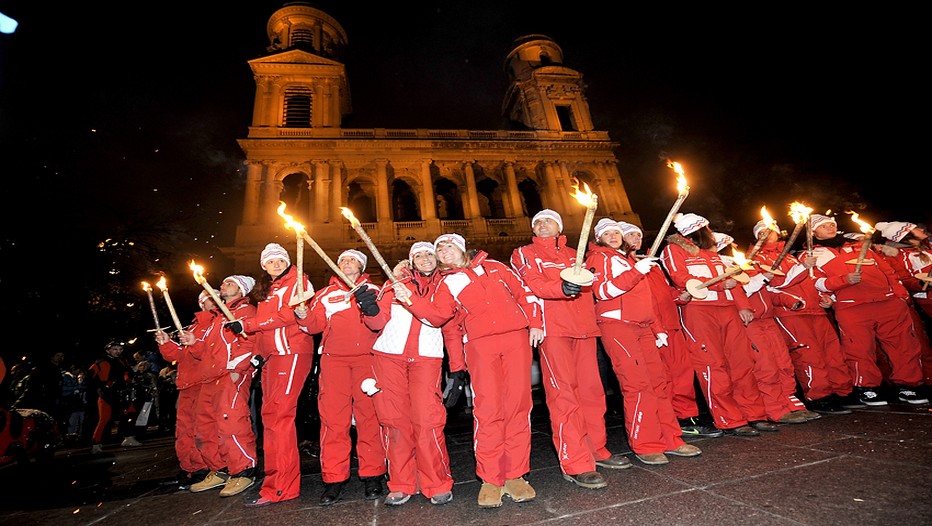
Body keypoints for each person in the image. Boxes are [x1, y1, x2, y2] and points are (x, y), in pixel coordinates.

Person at [393, 233, 542, 509]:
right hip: (479, 345)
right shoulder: (447, 282)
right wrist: (410, 300)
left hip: (515, 341)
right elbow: (437, 316)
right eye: (440, 249)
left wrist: (535, 322)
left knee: (518, 407)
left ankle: (515, 474)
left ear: (461, 248)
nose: (444, 252)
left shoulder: (495, 267)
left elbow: (524, 292)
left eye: (449, 246)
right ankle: (491, 478)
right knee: (488, 410)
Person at [510, 210, 632, 489]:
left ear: (559, 227)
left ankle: (597, 449)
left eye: (548, 221)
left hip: (584, 328)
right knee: (563, 396)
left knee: (592, 393)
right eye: (537, 222)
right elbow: (532, 284)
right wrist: (559, 290)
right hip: (554, 330)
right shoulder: (524, 252)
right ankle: (575, 462)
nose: (542, 225)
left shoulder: (575, 254)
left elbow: (595, 286)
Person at [587, 218, 702, 465]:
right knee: (637, 386)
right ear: (598, 237)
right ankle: (646, 444)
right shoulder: (598, 258)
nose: (613, 235)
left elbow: (646, 299)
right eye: (607, 233)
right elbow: (603, 292)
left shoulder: (627, 259)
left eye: (616, 232)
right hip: (617, 327)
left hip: (643, 328)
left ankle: (671, 439)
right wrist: (636, 272)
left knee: (659, 384)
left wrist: (656, 327)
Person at [359, 241, 463, 506]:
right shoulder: (392, 285)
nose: (425, 258)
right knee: (395, 421)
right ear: (411, 260)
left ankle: (436, 482)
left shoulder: (444, 284)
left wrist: (457, 369)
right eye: (419, 255)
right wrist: (369, 309)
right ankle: (402, 482)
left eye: (430, 253)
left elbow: (441, 320)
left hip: (426, 359)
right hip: (389, 357)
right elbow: (377, 322)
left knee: (427, 421)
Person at [659, 213, 774, 436]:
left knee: (741, 362)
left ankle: (754, 413)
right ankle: (730, 419)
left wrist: (743, 305)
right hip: (699, 312)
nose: (711, 232)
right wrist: (720, 286)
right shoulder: (673, 250)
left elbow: (732, 279)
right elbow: (681, 279)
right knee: (713, 365)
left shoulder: (712, 254)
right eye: (708, 228)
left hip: (728, 310)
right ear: (699, 229)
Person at [225, 242, 316, 508]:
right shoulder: (267, 290)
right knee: (269, 417)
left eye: (280, 261)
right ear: (263, 266)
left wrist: (248, 324)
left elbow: (287, 316)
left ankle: (283, 487)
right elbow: (265, 331)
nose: (276, 265)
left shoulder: (300, 282)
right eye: (270, 261)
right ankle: (274, 483)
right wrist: (258, 354)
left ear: (288, 262)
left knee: (280, 416)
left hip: (292, 352)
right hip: (272, 357)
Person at [294, 249, 387, 506]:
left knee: (369, 418)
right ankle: (334, 479)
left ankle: (373, 475)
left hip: (366, 360)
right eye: (342, 259)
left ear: (361, 266)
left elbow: (380, 322)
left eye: (352, 260)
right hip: (334, 361)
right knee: (334, 420)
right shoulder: (324, 294)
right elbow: (314, 327)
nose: (346, 263)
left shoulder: (373, 289)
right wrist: (303, 317)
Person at [616, 221, 723, 438]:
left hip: (671, 325)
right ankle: (664, 420)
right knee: (660, 378)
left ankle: (687, 417)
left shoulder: (652, 265)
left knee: (682, 374)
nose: (636, 238)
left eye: (638, 234)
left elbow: (666, 293)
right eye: (630, 235)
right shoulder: (625, 267)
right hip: (649, 328)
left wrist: (680, 297)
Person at [809, 214, 927, 405]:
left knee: (904, 346)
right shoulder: (811, 255)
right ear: (814, 232)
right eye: (824, 226)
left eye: (832, 224)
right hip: (851, 307)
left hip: (887, 302)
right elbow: (816, 284)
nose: (830, 227)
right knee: (860, 349)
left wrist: (900, 295)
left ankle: (909, 386)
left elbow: (888, 271)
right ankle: (868, 387)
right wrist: (843, 281)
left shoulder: (858, 245)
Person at [749, 222, 855, 415]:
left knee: (832, 353)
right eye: (762, 232)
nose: (767, 235)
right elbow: (777, 284)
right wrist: (800, 271)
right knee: (809, 355)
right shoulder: (757, 258)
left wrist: (823, 297)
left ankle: (842, 391)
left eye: (770, 231)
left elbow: (809, 279)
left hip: (815, 309)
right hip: (790, 313)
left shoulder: (789, 256)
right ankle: (819, 396)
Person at [184, 275, 260, 498]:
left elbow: (249, 340)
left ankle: (244, 470)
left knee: (231, 421)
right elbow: (207, 351)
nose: (223, 285)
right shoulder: (217, 318)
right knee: (206, 426)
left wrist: (238, 369)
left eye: (229, 283)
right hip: (210, 377)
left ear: (241, 290)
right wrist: (193, 343)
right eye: (224, 282)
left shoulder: (246, 311)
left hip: (231, 374)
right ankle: (221, 469)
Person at [155, 290, 217, 487]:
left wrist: (195, 343)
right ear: (201, 304)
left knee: (203, 428)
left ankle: (206, 466)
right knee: (184, 429)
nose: (215, 302)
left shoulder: (219, 324)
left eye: (218, 298)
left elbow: (212, 352)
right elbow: (180, 355)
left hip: (206, 381)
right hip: (187, 384)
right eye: (209, 299)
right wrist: (166, 343)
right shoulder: (193, 327)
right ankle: (189, 466)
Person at [873, 221, 932, 393]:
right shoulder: (896, 255)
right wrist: (923, 283)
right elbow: (904, 279)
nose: (921, 230)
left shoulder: (926, 247)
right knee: (919, 346)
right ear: (906, 236)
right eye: (915, 229)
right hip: (922, 300)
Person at [86, 340, 141, 453]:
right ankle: (96, 443)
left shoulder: (122, 361)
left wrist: (130, 378)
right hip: (107, 395)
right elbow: (89, 378)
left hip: (121, 393)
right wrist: (105, 385)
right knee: (104, 419)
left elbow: (127, 374)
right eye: (115, 349)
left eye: (120, 349)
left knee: (130, 413)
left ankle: (128, 437)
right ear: (108, 350)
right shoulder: (101, 362)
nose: (118, 351)